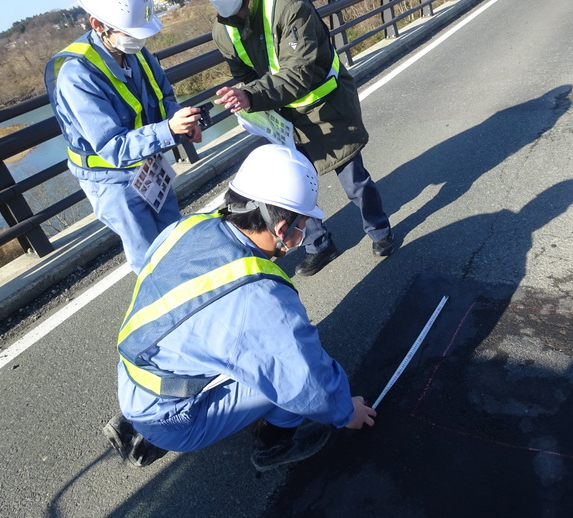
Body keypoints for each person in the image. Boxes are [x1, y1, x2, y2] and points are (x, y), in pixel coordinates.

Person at [103, 144, 377, 470]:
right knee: (287, 372)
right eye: (302, 224)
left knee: (248, 351)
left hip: (137, 375)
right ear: (281, 229)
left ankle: (142, 426)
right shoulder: (259, 296)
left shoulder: (187, 227)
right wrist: (346, 411)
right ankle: (273, 446)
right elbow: (305, 378)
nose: (303, 233)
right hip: (170, 415)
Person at [209, 0, 396, 276]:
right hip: (285, 118)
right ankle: (318, 245)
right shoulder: (223, 29)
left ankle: (379, 230)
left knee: (354, 180)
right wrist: (247, 96)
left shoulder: (289, 7)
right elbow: (245, 75)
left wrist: (251, 96)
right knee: (292, 191)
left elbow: (299, 72)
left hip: (326, 105)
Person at [44, 0, 203, 273]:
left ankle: (190, 294)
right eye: (131, 32)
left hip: (148, 163)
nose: (139, 39)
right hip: (111, 178)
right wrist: (167, 130)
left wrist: (183, 122)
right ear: (98, 25)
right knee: (149, 258)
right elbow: (110, 146)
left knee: (175, 237)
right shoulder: (77, 76)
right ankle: (164, 308)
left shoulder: (136, 53)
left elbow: (164, 98)